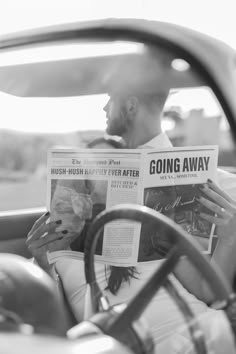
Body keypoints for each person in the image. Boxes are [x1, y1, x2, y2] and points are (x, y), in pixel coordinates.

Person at [26, 54, 236, 351]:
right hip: (116, 339)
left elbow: (208, 291)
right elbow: (52, 320)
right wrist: (44, 263)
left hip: (194, 334)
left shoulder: (216, 182)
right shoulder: (63, 242)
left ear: (130, 105)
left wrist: (231, 235)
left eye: (109, 98)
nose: (103, 107)